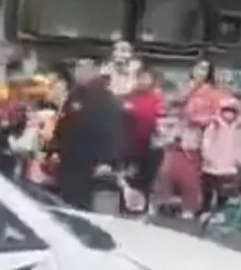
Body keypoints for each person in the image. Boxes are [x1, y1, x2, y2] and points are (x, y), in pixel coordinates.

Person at [156, 58, 226, 219]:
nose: (199, 72)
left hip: (198, 135)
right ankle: (172, 202)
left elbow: (217, 115)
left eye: (204, 69)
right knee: (171, 169)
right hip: (178, 132)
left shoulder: (212, 93)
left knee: (191, 172)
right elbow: (169, 104)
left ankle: (191, 205)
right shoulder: (184, 87)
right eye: (197, 68)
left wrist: (199, 119)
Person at [52, 57, 123, 210]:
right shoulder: (75, 94)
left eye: (83, 67)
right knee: (66, 203)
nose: (78, 72)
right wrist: (55, 148)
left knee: (83, 204)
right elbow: (64, 122)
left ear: (94, 71)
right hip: (69, 158)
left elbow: (110, 129)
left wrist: (106, 160)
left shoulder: (104, 98)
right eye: (77, 67)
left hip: (89, 162)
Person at [121, 66, 165, 213]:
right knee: (129, 180)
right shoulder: (128, 98)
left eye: (146, 78)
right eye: (140, 78)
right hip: (129, 148)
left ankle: (143, 209)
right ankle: (126, 209)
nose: (143, 81)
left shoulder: (157, 99)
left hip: (150, 148)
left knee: (146, 182)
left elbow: (161, 121)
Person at [200, 98, 241, 213]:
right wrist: (208, 156)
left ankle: (221, 212)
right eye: (227, 110)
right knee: (208, 190)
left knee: (224, 193)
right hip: (211, 166)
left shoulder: (238, 128)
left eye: (232, 111)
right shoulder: (214, 126)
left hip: (229, 167)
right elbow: (206, 142)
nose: (229, 114)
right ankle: (205, 211)